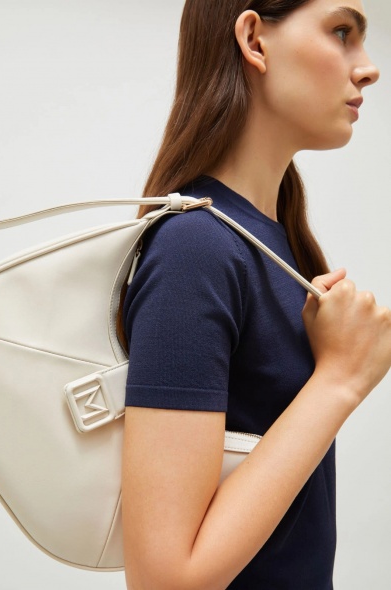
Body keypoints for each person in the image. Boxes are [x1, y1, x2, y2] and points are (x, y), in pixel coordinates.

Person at [120, 0, 391, 588]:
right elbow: (164, 580)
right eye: (341, 31)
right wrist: (340, 380)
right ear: (254, 40)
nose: (368, 68)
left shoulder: (270, 241)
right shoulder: (196, 247)